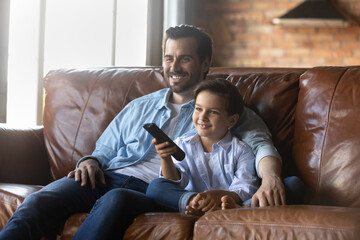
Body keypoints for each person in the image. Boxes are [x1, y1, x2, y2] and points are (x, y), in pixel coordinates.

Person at [0, 24, 297, 240]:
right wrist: (89, 161)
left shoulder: (224, 110)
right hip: (106, 175)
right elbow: (104, 149)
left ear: (205, 64)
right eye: (169, 58)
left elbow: (261, 147)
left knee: (116, 199)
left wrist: (270, 178)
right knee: (40, 200)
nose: (174, 66)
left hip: (155, 188)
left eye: (185, 58)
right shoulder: (140, 106)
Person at [146, 79, 260, 216]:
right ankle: (195, 204)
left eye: (213, 112)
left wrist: (220, 196)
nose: (202, 117)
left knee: (256, 198)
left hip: (227, 201)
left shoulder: (241, 150)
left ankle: (221, 208)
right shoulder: (183, 143)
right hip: (189, 201)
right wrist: (166, 159)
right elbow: (174, 183)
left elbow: (245, 186)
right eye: (198, 109)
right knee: (156, 187)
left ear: (232, 120)